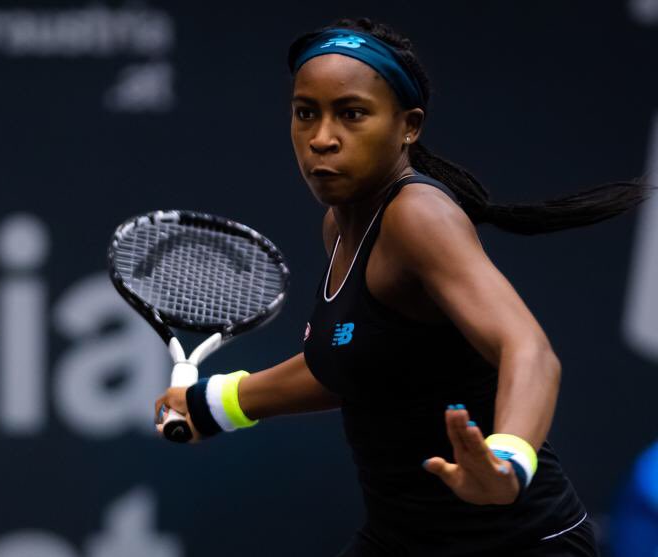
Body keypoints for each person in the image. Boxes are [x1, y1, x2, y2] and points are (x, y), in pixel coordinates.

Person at [154, 16, 651, 556]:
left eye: (351, 114)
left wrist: (507, 461)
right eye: (305, 113)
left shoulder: (417, 216)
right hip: (401, 539)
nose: (322, 138)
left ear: (408, 126)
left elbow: (527, 349)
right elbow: (357, 364)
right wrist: (217, 403)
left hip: (516, 545)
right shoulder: (342, 223)